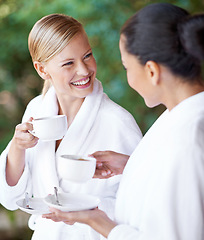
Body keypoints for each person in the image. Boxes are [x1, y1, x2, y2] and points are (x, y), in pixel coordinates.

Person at [43, 3, 204, 240]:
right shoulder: (178, 118)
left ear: (151, 71)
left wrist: (99, 222)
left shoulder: (188, 140)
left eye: (127, 67)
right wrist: (133, 165)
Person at [0, 13, 142, 240]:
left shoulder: (117, 122)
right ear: (42, 70)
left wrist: (88, 214)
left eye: (87, 56)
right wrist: (18, 147)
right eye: (68, 63)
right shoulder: (37, 110)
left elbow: (145, 203)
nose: (84, 70)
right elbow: (9, 197)